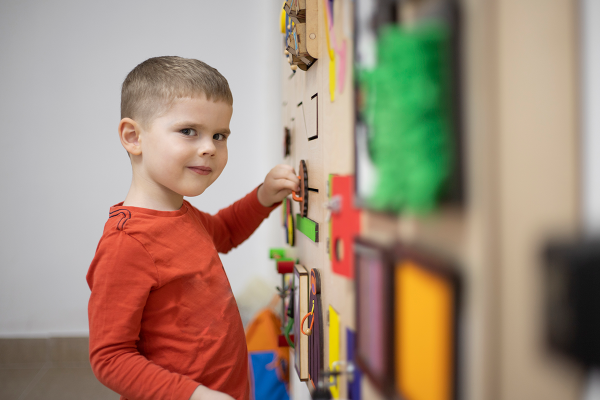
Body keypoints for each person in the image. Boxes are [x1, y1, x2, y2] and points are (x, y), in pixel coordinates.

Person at [86, 56, 299, 400]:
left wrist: (262, 196)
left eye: (220, 135)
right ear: (133, 136)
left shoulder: (183, 213)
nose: (209, 148)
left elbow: (225, 232)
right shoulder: (127, 244)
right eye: (189, 131)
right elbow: (110, 358)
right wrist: (195, 395)